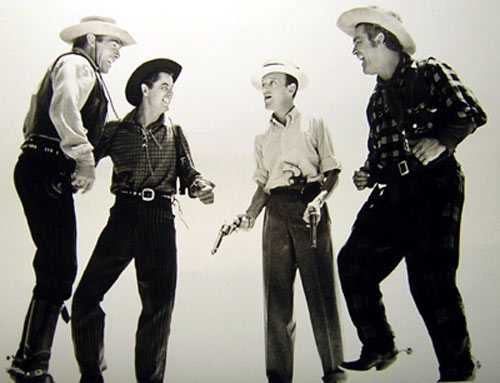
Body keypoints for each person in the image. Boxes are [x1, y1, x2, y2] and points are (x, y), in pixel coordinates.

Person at [335, 6, 487, 382]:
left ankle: (458, 370)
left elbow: (470, 112)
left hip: (436, 186)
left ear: (381, 39)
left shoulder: (431, 72)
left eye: (358, 42)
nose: (354, 51)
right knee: (353, 261)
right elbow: (381, 153)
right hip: (396, 192)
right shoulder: (376, 101)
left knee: (429, 280)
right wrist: (368, 173)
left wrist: (441, 141)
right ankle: (380, 345)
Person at [70, 58, 215, 383]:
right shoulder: (114, 131)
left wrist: (202, 187)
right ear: (144, 89)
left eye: (172, 90)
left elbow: (190, 172)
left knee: (158, 307)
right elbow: (84, 160)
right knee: (85, 298)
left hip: (159, 221)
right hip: (123, 216)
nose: (169, 95)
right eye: (164, 87)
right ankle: (91, 376)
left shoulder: (175, 133)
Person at [8, 16, 135, 383]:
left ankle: (30, 361)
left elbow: (37, 120)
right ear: (92, 40)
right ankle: (30, 365)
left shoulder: (80, 69)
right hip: (46, 166)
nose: (117, 55)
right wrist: (81, 158)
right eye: (114, 46)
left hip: (43, 165)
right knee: (59, 266)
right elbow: (63, 108)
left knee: (58, 264)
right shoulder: (77, 64)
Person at [234, 60, 345, 383]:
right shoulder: (262, 137)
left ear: (291, 88)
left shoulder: (315, 124)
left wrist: (319, 200)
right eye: (263, 84)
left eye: (272, 83)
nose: (265, 89)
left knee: (321, 292)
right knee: (276, 299)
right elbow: (263, 185)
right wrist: (249, 215)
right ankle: (279, 378)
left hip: (310, 207)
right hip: (276, 214)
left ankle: (335, 373)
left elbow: (332, 170)